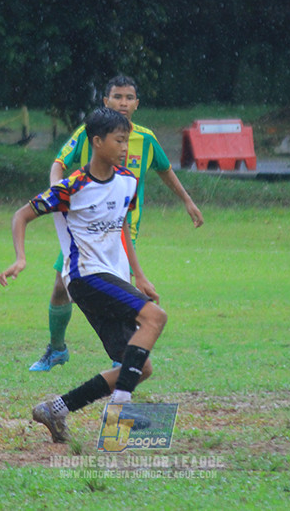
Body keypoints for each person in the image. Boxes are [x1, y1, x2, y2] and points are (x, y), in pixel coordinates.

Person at [0, 107, 167, 443]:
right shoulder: (71, 186)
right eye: (119, 141)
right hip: (85, 277)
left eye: (127, 142)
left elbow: (121, 229)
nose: (124, 148)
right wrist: (20, 258)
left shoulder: (128, 183)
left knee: (139, 368)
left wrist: (139, 274)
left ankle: (57, 408)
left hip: (112, 277)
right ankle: (121, 411)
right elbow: (22, 215)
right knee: (155, 318)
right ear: (97, 141)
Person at [28, 75, 202, 371]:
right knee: (61, 286)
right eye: (117, 97)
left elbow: (165, 170)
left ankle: (121, 355)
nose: (123, 102)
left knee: (119, 290)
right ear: (105, 101)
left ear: (137, 103)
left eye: (129, 97)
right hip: (84, 228)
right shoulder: (90, 132)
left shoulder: (146, 139)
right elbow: (59, 162)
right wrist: (55, 193)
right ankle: (57, 349)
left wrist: (187, 200)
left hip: (121, 228)